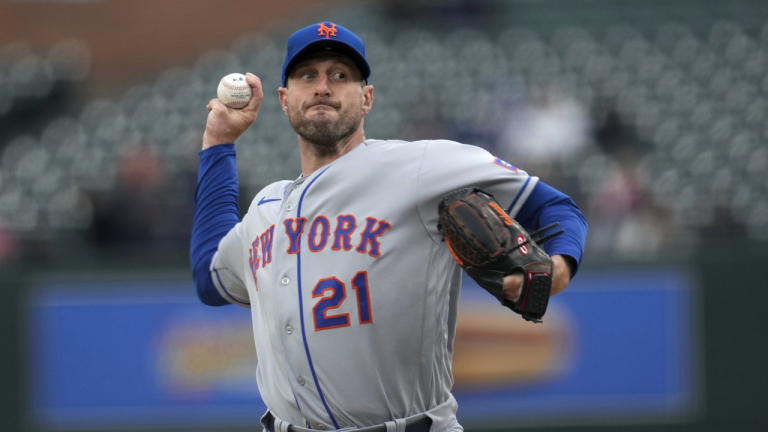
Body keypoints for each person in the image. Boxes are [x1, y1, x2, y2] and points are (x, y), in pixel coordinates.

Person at [190, 22, 587, 432]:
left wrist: (558, 269)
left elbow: (555, 207)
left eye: (340, 76)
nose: (323, 87)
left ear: (367, 99)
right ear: (284, 99)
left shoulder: (421, 166)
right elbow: (209, 277)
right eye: (307, 75)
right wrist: (218, 144)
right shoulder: (266, 209)